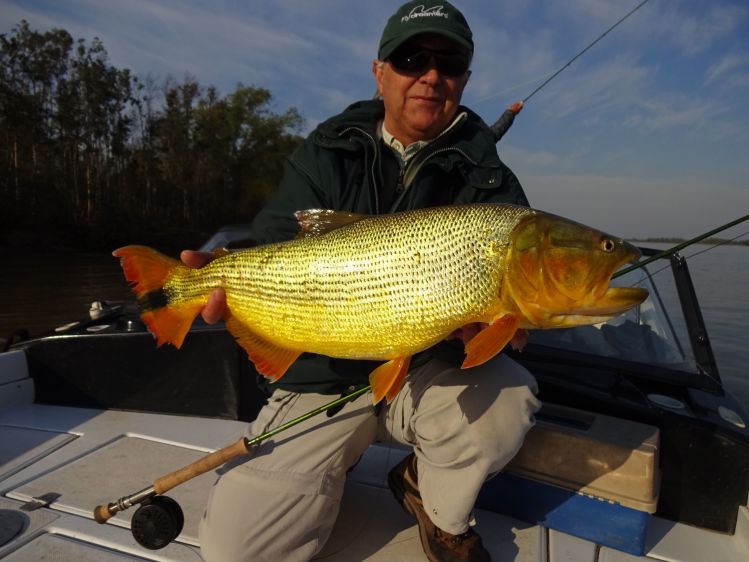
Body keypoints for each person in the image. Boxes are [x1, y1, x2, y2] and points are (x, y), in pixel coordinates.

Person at [190, 2, 541, 561]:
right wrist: (223, 283)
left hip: (426, 370)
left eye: (448, 61)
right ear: (381, 72)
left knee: (510, 394)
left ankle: (433, 498)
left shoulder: (492, 179)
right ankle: (333, 458)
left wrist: (501, 329)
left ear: (465, 79)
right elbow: (272, 244)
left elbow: (515, 318)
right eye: (411, 58)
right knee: (237, 552)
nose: (430, 74)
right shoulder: (326, 151)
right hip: (321, 375)